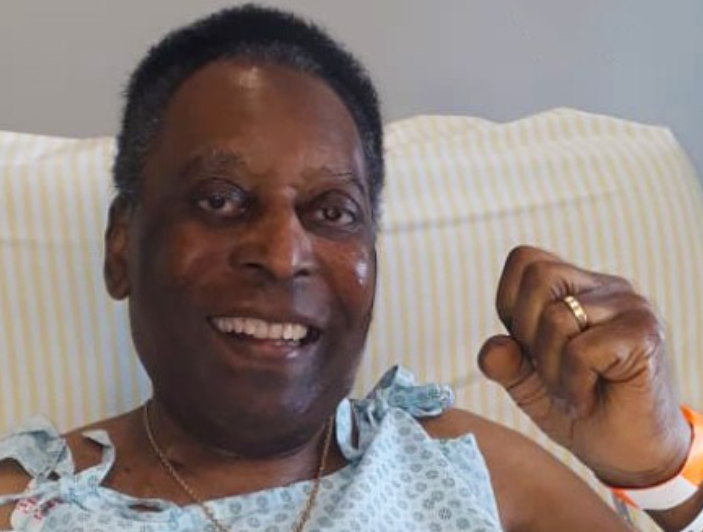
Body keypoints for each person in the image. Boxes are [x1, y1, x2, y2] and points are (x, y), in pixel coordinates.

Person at [0, 5, 700, 531]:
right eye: (220, 199)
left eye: (332, 211)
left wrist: (662, 471)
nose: (283, 255)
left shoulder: (466, 469)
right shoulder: (29, 508)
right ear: (121, 247)